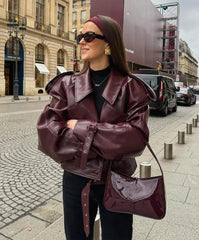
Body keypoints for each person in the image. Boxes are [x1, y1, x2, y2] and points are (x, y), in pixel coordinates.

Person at [37, 15, 155, 240]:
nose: (81, 41)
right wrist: (110, 138)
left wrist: (81, 128)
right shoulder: (66, 85)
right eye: (80, 35)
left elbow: (136, 138)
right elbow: (47, 132)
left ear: (109, 42)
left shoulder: (132, 89)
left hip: (118, 180)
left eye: (89, 36)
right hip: (75, 180)